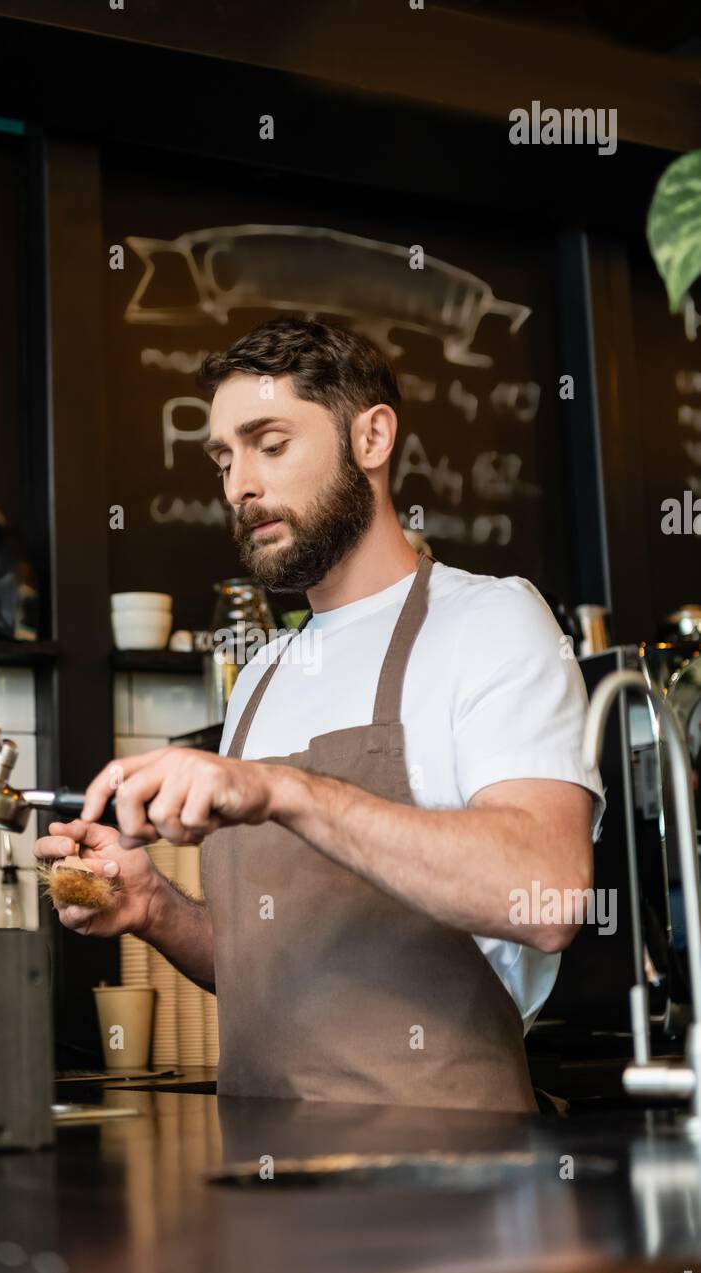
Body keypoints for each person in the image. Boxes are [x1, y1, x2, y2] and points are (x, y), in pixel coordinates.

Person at [34, 317, 605, 1111]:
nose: (239, 486)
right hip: (265, 1185)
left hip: (452, 1190)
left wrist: (286, 791)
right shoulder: (263, 674)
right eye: (225, 457)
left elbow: (548, 893)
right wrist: (154, 908)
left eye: (270, 443)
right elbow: (267, 970)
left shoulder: (491, 621)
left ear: (371, 438)